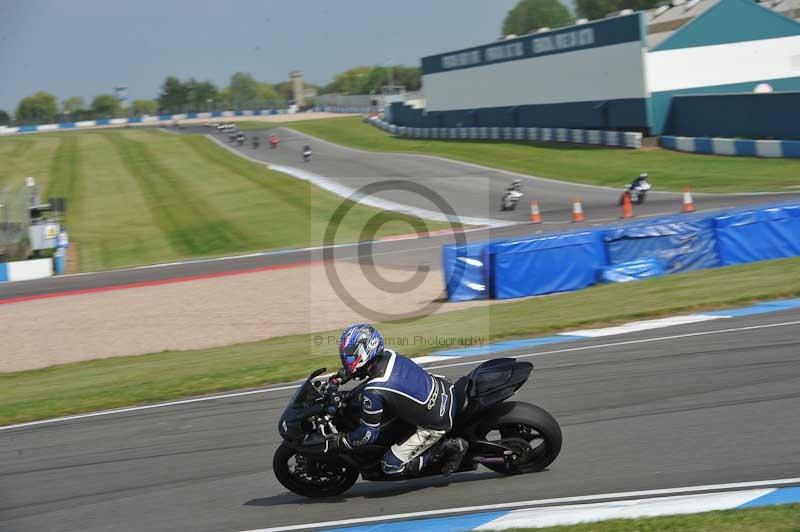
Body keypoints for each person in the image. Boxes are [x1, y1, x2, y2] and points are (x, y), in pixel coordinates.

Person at [325, 324, 468, 477]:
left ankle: (449, 447)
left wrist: (341, 441)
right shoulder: (388, 354)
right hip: (444, 388)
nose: (346, 359)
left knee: (390, 466)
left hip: (436, 421)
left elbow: (368, 434)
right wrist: (342, 376)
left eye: (350, 355)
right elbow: (361, 370)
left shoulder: (374, 390)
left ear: (365, 350)